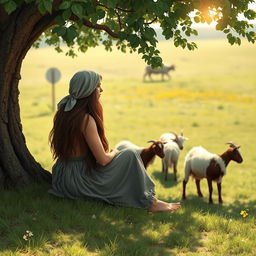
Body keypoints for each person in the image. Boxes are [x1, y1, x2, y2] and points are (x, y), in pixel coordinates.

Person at [48, 70, 181, 212]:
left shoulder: (63, 112)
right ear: (88, 90)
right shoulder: (86, 119)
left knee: (125, 156)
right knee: (129, 155)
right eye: (98, 86)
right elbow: (103, 160)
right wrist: (116, 152)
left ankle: (150, 200)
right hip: (79, 180)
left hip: (63, 176)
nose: (101, 90)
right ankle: (151, 203)